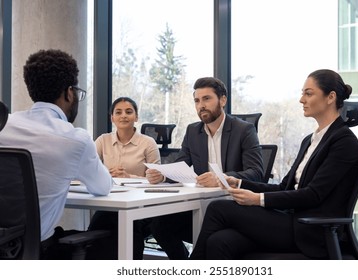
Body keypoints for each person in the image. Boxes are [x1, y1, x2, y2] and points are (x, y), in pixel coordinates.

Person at [189, 69, 358, 260]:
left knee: (218, 208)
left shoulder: (343, 141)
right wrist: (237, 182)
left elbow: (313, 195)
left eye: (308, 93)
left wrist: (257, 199)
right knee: (219, 241)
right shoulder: (310, 140)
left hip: (309, 229)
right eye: (302, 93)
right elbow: (283, 187)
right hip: (290, 220)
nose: (301, 99)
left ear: (330, 97)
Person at [0, 49, 113, 259]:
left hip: (6, 246)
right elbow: (103, 187)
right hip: (36, 250)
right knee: (112, 236)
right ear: (69, 93)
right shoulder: (75, 139)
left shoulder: (4, 124)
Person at [145, 76, 264, 259]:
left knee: (212, 239)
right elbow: (181, 164)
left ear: (223, 100)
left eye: (207, 99)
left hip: (234, 206)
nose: (201, 105)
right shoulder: (193, 131)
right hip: (202, 204)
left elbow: (256, 173)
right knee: (159, 225)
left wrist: (221, 178)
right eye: (197, 100)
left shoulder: (244, 130)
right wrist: (162, 176)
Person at [87, 96, 160, 260]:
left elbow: (157, 179)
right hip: (110, 202)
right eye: (118, 112)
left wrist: (129, 176)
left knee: (130, 229)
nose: (123, 116)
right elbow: (89, 169)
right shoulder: (102, 140)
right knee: (96, 228)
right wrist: (105, 175)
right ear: (112, 117)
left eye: (129, 112)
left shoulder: (148, 143)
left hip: (140, 204)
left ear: (136, 117)